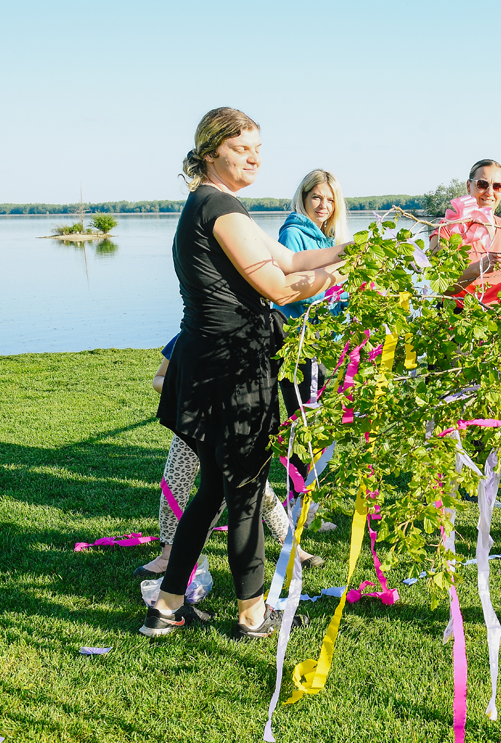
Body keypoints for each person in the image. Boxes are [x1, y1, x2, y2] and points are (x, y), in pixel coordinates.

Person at [143, 107, 347, 639]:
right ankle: (252, 613)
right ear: (211, 152)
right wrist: (336, 275)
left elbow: (286, 258)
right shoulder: (221, 207)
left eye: (258, 148)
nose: (254, 156)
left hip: (213, 364)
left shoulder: (215, 205)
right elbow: (279, 288)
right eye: (241, 147)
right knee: (246, 490)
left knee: (212, 489)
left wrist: (351, 249)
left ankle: (167, 606)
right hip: (233, 370)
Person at [135, 334, 329, 580]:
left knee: (261, 491)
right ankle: (167, 555)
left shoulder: (247, 336)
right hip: (190, 428)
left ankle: (292, 549)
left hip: (230, 431)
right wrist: (192, 390)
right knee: (174, 486)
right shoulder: (187, 337)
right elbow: (158, 379)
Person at [275, 170, 350, 462]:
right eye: (316, 197)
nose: (323, 205)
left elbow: (335, 294)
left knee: (316, 416)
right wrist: (339, 275)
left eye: (330, 200)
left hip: (321, 340)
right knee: (303, 418)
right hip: (297, 338)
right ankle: (299, 493)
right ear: (303, 197)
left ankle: (309, 488)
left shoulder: (328, 239)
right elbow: (299, 288)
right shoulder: (293, 233)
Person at [434, 159, 501, 306]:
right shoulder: (446, 229)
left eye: (497, 186)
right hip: (457, 321)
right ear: (468, 185)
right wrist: (480, 267)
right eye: (482, 184)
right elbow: (443, 287)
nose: (490, 192)